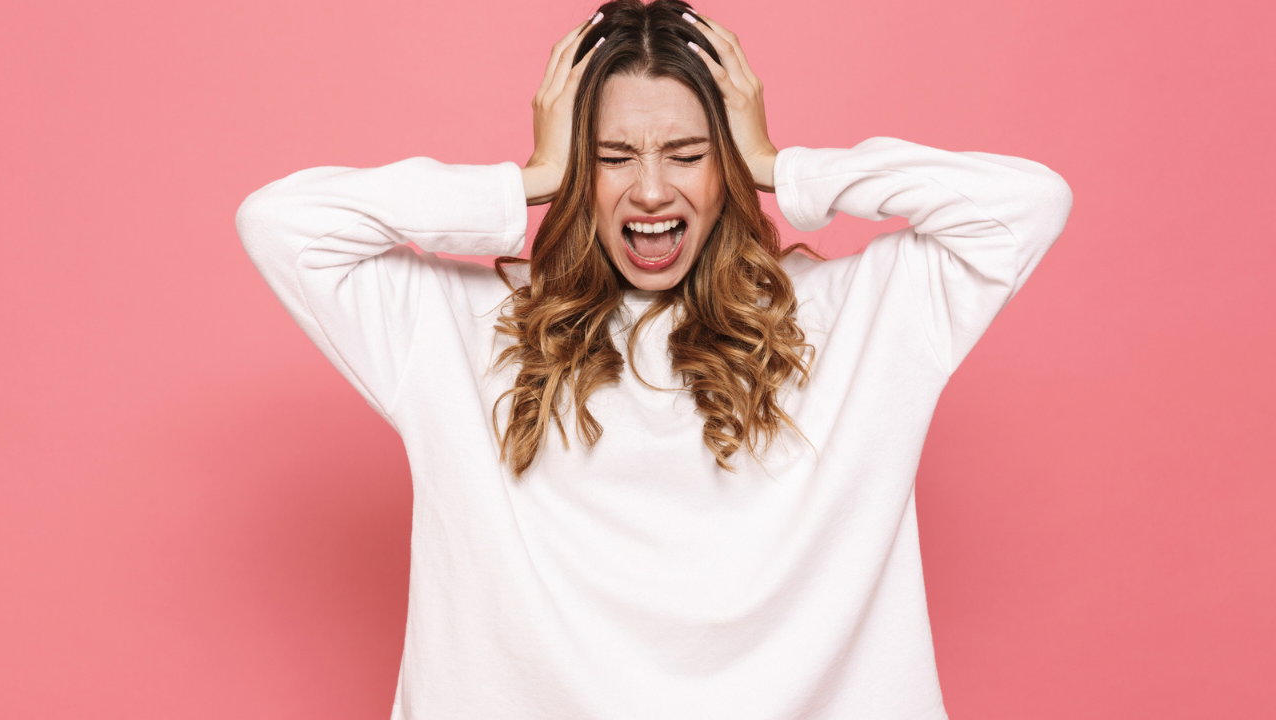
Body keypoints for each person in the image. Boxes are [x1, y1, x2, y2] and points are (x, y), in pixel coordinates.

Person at [235, 1, 1073, 717]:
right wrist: (525, 179)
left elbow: (1026, 206)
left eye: (686, 153)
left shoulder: (852, 316)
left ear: (729, 163)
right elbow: (281, 224)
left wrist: (785, 166)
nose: (648, 191)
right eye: (610, 157)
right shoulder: (468, 326)